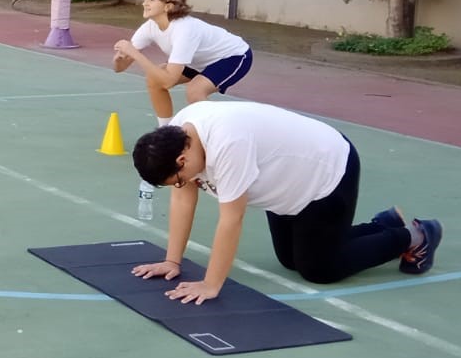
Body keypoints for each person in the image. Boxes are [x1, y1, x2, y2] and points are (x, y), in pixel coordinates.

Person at [129, 100, 442, 304]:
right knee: (291, 260)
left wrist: (210, 285)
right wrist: (172, 261)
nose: (183, 186)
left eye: (178, 179)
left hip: (327, 172)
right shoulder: (178, 134)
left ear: (182, 160)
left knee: (321, 269)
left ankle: (414, 236)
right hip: (285, 186)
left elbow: (231, 220)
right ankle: (383, 224)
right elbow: (184, 200)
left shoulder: (227, 144)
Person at [113, 0, 253, 125]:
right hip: (197, 60)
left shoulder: (184, 30)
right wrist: (120, 58)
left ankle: (210, 135)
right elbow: (119, 68)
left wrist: (135, 54)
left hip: (233, 56)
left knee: (195, 91)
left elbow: (169, 81)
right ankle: (165, 131)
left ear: (168, 6)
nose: (144, 3)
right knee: (154, 79)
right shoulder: (149, 27)